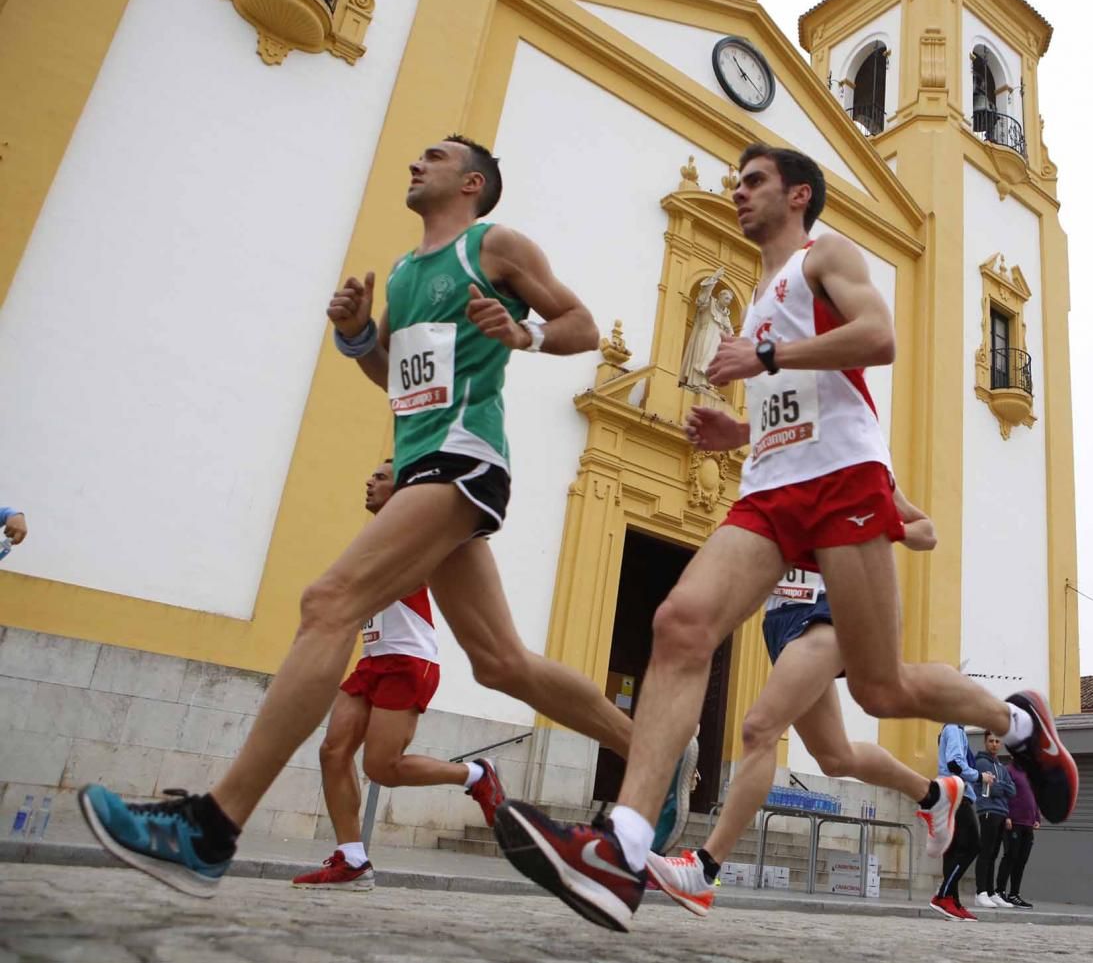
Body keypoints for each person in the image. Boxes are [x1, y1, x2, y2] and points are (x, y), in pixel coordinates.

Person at [76, 134, 694, 897]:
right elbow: (399, 382)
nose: (415, 162)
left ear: (471, 182)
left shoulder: (492, 246)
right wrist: (358, 334)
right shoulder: (405, 272)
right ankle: (655, 752)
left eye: (434, 156)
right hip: (419, 461)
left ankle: (212, 827)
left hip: (465, 458)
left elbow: (583, 326)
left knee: (327, 602)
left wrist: (522, 331)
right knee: (500, 661)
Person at [490, 142, 1079, 933]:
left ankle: (1014, 723)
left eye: (754, 180)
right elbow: (793, 396)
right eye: (736, 180)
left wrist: (765, 353)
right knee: (680, 621)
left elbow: (878, 338)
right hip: (770, 488)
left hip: (842, 481)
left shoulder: (822, 256)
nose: (738, 191)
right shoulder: (761, 292)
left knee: (881, 688)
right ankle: (623, 847)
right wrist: (737, 425)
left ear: (798, 195)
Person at [641, 486, 964, 918]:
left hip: (825, 611)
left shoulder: (859, 464)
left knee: (760, 729)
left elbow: (927, 532)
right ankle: (933, 794)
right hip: (779, 618)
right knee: (835, 756)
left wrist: (887, 526)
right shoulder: (783, 465)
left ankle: (704, 869)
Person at [291, 460, 504, 891]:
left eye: (381, 477)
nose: (368, 480)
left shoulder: (416, 536)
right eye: (370, 474)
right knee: (333, 752)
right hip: (372, 659)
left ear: (404, 491)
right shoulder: (373, 537)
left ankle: (477, 775)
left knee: (383, 768)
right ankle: (352, 859)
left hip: (409, 661)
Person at [930, 722, 987, 921]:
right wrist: (979, 776)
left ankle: (952, 901)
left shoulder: (954, 730)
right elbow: (954, 763)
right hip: (955, 793)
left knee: (953, 849)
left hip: (952, 793)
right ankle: (943, 895)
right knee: (973, 846)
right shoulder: (954, 729)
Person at [972, 729, 1016, 910]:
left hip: (1001, 812)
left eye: (997, 741)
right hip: (988, 811)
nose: (994, 744)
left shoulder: (1001, 767)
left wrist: (1000, 785)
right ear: (985, 742)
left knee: (994, 854)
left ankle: (991, 892)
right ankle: (980, 891)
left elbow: (1012, 791)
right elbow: (994, 791)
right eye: (991, 741)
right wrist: (1001, 787)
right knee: (986, 852)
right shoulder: (982, 763)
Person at [996, 760, 1038, 908]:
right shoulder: (1008, 771)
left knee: (1022, 860)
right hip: (1013, 823)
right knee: (1010, 857)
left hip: (1028, 824)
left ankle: (1014, 894)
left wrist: (1036, 817)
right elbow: (1003, 794)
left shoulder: (1029, 773)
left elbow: (1033, 796)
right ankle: (1000, 891)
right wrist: (1006, 815)